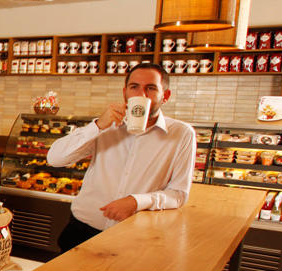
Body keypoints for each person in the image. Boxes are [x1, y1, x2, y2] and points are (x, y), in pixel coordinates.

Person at [47, 63, 196, 252]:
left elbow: (179, 194)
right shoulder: (106, 125)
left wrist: (137, 201)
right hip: (81, 230)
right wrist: (98, 125)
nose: (141, 95)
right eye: (134, 87)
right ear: (125, 92)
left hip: (134, 236)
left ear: (165, 96)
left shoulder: (182, 134)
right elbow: (55, 159)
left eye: (150, 88)